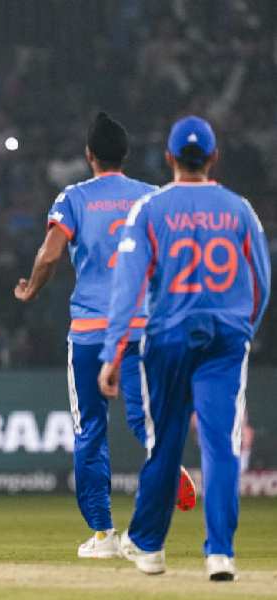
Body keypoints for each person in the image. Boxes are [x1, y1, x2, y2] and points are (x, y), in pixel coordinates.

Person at [13, 113, 195, 558]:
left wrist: (31, 287)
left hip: (92, 331)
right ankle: (157, 487)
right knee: (146, 421)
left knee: (89, 429)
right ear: (126, 156)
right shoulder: (152, 197)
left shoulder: (74, 198)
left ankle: (103, 536)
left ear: (89, 155)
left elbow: (51, 253)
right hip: (142, 328)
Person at [99, 116, 271, 580]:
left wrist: (113, 352)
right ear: (213, 158)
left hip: (168, 336)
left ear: (169, 158)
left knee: (166, 442)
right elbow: (261, 281)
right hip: (225, 338)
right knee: (221, 445)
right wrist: (243, 328)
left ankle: (151, 548)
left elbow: (127, 288)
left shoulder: (151, 210)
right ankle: (220, 553)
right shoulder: (240, 210)